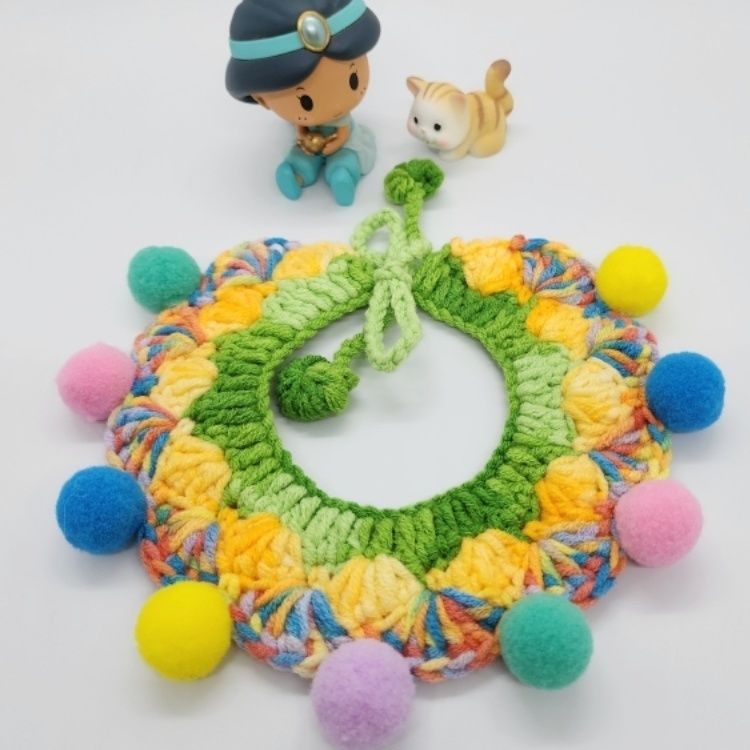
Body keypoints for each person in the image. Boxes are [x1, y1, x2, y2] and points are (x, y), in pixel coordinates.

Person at [226, 0, 381, 206]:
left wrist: (334, 144)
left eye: (354, 80)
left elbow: (343, 132)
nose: (335, 106)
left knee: (348, 155)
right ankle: (295, 173)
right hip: (310, 140)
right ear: (260, 98)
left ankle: (343, 176)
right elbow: (300, 128)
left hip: (342, 140)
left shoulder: (341, 118)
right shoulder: (303, 121)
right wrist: (302, 135)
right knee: (301, 156)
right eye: (306, 102)